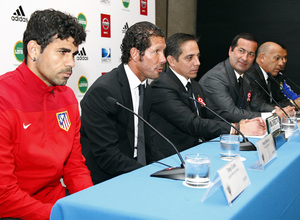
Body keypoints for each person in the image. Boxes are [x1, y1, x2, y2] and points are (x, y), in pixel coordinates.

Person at [0, 9, 93, 220]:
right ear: (34, 49)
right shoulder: (3, 98)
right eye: (62, 52)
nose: (71, 63)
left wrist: (89, 206)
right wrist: (61, 216)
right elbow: (3, 195)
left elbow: (75, 166)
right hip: (16, 212)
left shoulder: (68, 97)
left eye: (74, 54)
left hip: (58, 205)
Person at [147, 33, 266, 161]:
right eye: (189, 58)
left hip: (198, 150)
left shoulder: (194, 85)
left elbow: (215, 113)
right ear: (171, 60)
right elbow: (192, 123)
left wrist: (243, 121)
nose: (197, 63)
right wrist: (236, 128)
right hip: (173, 157)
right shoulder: (161, 87)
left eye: (198, 56)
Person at [80, 21, 166, 184]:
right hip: (106, 180)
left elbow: (147, 141)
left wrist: (168, 168)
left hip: (134, 170)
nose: (163, 59)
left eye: (163, 51)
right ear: (135, 54)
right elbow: (107, 157)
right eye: (156, 52)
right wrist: (148, 174)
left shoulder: (145, 87)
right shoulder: (104, 92)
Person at [199, 33, 292, 123]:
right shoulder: (215, 78)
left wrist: (277, 111)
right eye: (241, 51)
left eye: (251, 54)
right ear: (230, 51)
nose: (245, 58)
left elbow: (257, 104)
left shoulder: (247, 76)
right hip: (217, 134)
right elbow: (231, 112)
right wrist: (272, 115)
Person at [246, 42, 296, 108]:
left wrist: (293, 107)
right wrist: (280, 110)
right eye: (277, 58)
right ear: (262, 58)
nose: (281, 63)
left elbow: (281, 100)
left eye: (283, 58)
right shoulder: (250, 76)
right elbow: (258, 106)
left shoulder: (273, 76)